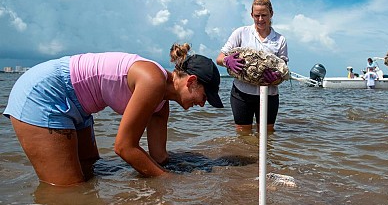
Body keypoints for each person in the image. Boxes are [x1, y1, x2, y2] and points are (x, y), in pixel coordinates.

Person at [3, 43, 224, 186]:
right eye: (205, 97)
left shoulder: (161, 106)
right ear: (192, 82)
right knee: (69, 190)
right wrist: (172, 183)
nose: (203, 105)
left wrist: (194, 168)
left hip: (81, 107)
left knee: (91, 170)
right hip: (48, 91)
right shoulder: (153, 80)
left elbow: (159, 157)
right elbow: (124, 147)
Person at [216, 0, 289, 132]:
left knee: (267, 135)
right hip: (242, 94)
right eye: (257, 16)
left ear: (271, 14)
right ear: (251, 15)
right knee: (243, 135)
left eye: (264, 15)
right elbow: (219, 58)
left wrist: (277, 77)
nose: (260, 19)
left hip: (269, 94)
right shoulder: (241, 33)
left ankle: (267, 154)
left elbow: (283, 68)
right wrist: (227, 61)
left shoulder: (280, 40)